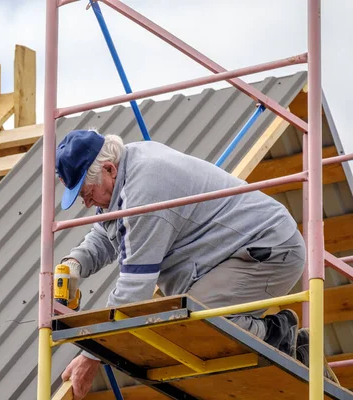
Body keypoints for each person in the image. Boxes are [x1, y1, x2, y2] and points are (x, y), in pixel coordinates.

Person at [55, 129, 327, 399]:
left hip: (267, 250)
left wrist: (92, 355)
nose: (86, 202)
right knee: (182, 325)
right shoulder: (128, 167)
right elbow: (107, 231)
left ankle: (281, 337)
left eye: (87, 191)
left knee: (192, 324)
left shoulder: (146, 188)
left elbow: (132, 292)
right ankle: (280, 338)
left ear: (109, 169)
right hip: (234, 253)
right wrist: (76, 261)